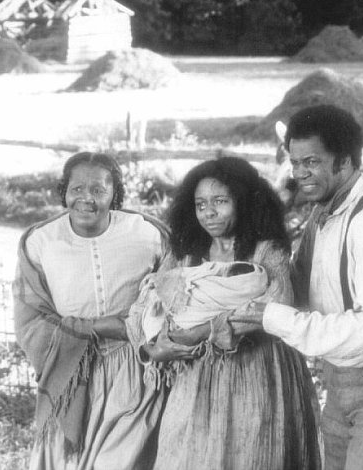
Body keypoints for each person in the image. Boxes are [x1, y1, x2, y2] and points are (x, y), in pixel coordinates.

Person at [235, 105, 363, 470]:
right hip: (345, 376)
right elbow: (296, 284)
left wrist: (274, 318)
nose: (299, 174)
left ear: (343, 161)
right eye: (295, 163)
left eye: (311, 162)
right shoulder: (325, 212)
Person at [127, 156, 321, 470]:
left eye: (220, 201)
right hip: (195, 380)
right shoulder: (186, 252)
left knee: (253, 454)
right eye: (200, 204)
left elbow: (275, 305)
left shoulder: (266, 250)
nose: (209, 213)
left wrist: (201, 331)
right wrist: (151, 348)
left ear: (243, 202)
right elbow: (144, 306)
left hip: (259, 373)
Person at [12, 152, 171, 470]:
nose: (86, 199)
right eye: (77, 189)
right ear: (64, 191)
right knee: (68, 462)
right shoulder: (41, 242)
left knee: (122, 460)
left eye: (98, 190)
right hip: (69, 371)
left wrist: (145, 330)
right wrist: (99, 326)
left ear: (115, 194)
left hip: (134, 369)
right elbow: (30, 319)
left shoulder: (148, 234)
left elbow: (172, 294)